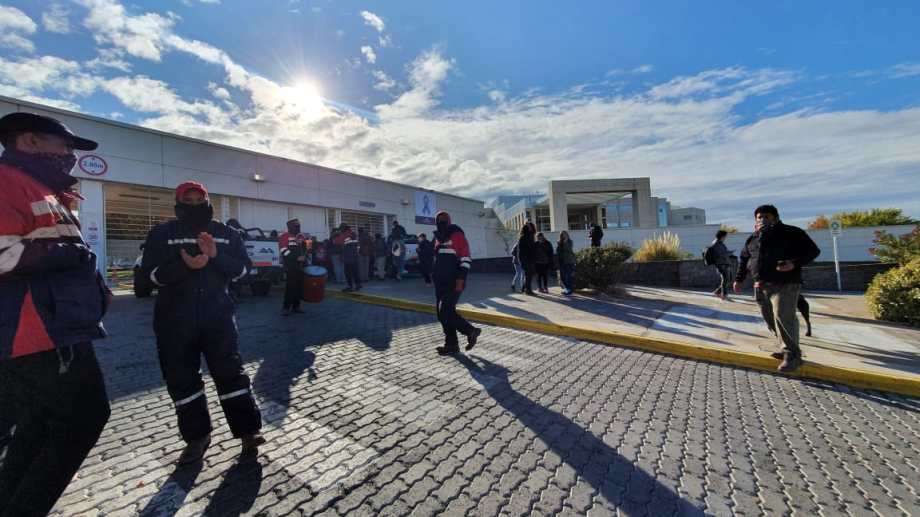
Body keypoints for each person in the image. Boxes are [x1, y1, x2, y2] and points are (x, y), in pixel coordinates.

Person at [0, 112, 112, 516]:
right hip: (37, 332)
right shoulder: (7, 181)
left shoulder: (44, 189)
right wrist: (72, 256)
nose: (70, 156)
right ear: (29, 141)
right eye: (64, 146)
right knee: (82, 419)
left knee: (38, 427)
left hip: (55, 328)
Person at [141, 181, 264, 465]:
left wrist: (217, 256)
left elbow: (244, 271)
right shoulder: (162, 233)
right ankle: (197, 438)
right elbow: (147, 278)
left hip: (218, 319)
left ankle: (248, 432)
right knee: (183, 381)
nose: (195, 204)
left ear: (208, 200)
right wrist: (184, 266)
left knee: (231, 375)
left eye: (200, 199)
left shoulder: (227, 234)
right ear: (178, 203)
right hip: (174, 322)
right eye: (189, 200)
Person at [733, 204, 820, 373]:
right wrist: (738, 279)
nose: (762, 219)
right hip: (761, 285)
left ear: (776, 218)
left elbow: (813, 251)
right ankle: (785, 346)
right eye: (759, 217)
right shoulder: (753, 238)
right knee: (770, 319)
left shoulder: (791, 232)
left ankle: (792, 356)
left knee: (784, 317)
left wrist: (793, 263)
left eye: (767, 216)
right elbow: (744, 259)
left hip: (785, 283)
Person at [432, 211, 481, 355]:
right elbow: (437, 259)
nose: (440, 222)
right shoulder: (437, 238)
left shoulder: (457, 235)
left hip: (454, 282)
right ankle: (452, 345)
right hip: (440, 282)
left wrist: (461, 278)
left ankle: (470, 331)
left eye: (443, 220)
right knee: (442, 314)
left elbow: (466, 258)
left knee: (445, 312)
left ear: (449, 221)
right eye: (438, 220)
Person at [279, 218, 307, 315]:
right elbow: (283, 250)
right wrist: (296, 258)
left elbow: (304, 248)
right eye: (296, 226)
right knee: (290, 287)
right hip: (290, 265)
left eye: (298, 225)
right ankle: (286, 308)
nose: (298, 227)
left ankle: (296, 306)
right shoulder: (284, 236)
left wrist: (305, 255)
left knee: (299, 287)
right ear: (290, 226)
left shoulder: (301, 236)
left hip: (300, 265)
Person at [334, 224, 362, 292]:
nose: (340, 230)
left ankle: (350, 287)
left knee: (348, 273)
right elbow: (358, 245)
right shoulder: (354, 234)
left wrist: (336, 234)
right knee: (355, 272)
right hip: (355, 256)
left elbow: (336, 242)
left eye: (340, 229)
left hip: (348, 257)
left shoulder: (345, 235)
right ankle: (358, 285)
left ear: (343, 229)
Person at [709, 229, 733, 300]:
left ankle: (717, 292)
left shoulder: (720, 243)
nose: (725, 238)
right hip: (721, 264)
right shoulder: (717, 244)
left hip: (724, 263)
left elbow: (723, 252)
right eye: (725, 236)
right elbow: (721, 254)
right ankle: (724, 295)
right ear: (722, 236)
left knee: (728, 279)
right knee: (725, 279)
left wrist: (728, 252)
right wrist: (729, 253)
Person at [517, 224, 536, 295]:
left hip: (528, 259)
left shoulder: (529, 237)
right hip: (527, 260)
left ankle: (524, 289)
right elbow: (521, 251)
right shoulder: (526, 237)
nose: (531, 228)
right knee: (528, 275)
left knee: (528, 275)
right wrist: (521, 261)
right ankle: (528, 290)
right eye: (530, 227)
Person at [557, 231, 577, 295]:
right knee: (563, 277)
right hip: (562, 261)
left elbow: (569, 249)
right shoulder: (559, 242)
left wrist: (565, 242)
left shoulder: (570, 242)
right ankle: (567, 289)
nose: (564, 236)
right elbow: (558, 251)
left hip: (569, 261)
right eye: (562, 235)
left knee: (568, 276)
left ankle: (569, 289)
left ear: (567, 235)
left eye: (565, 234)